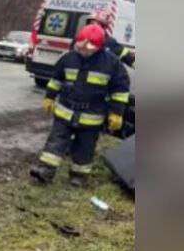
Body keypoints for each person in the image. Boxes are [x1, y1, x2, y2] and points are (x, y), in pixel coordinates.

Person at [30, 24, 131, 186]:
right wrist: (49, 97)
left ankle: (79, 176)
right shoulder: (68, 58)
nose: (83, 51)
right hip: (65, 112)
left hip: (92, 117)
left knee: (84, 148)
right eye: (81, 47)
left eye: (88, 49)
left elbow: (120, 91)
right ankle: (45, 171)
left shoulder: (112, 64)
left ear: (99, 47)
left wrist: (116, 113)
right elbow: (56, 80)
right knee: (55, 142)